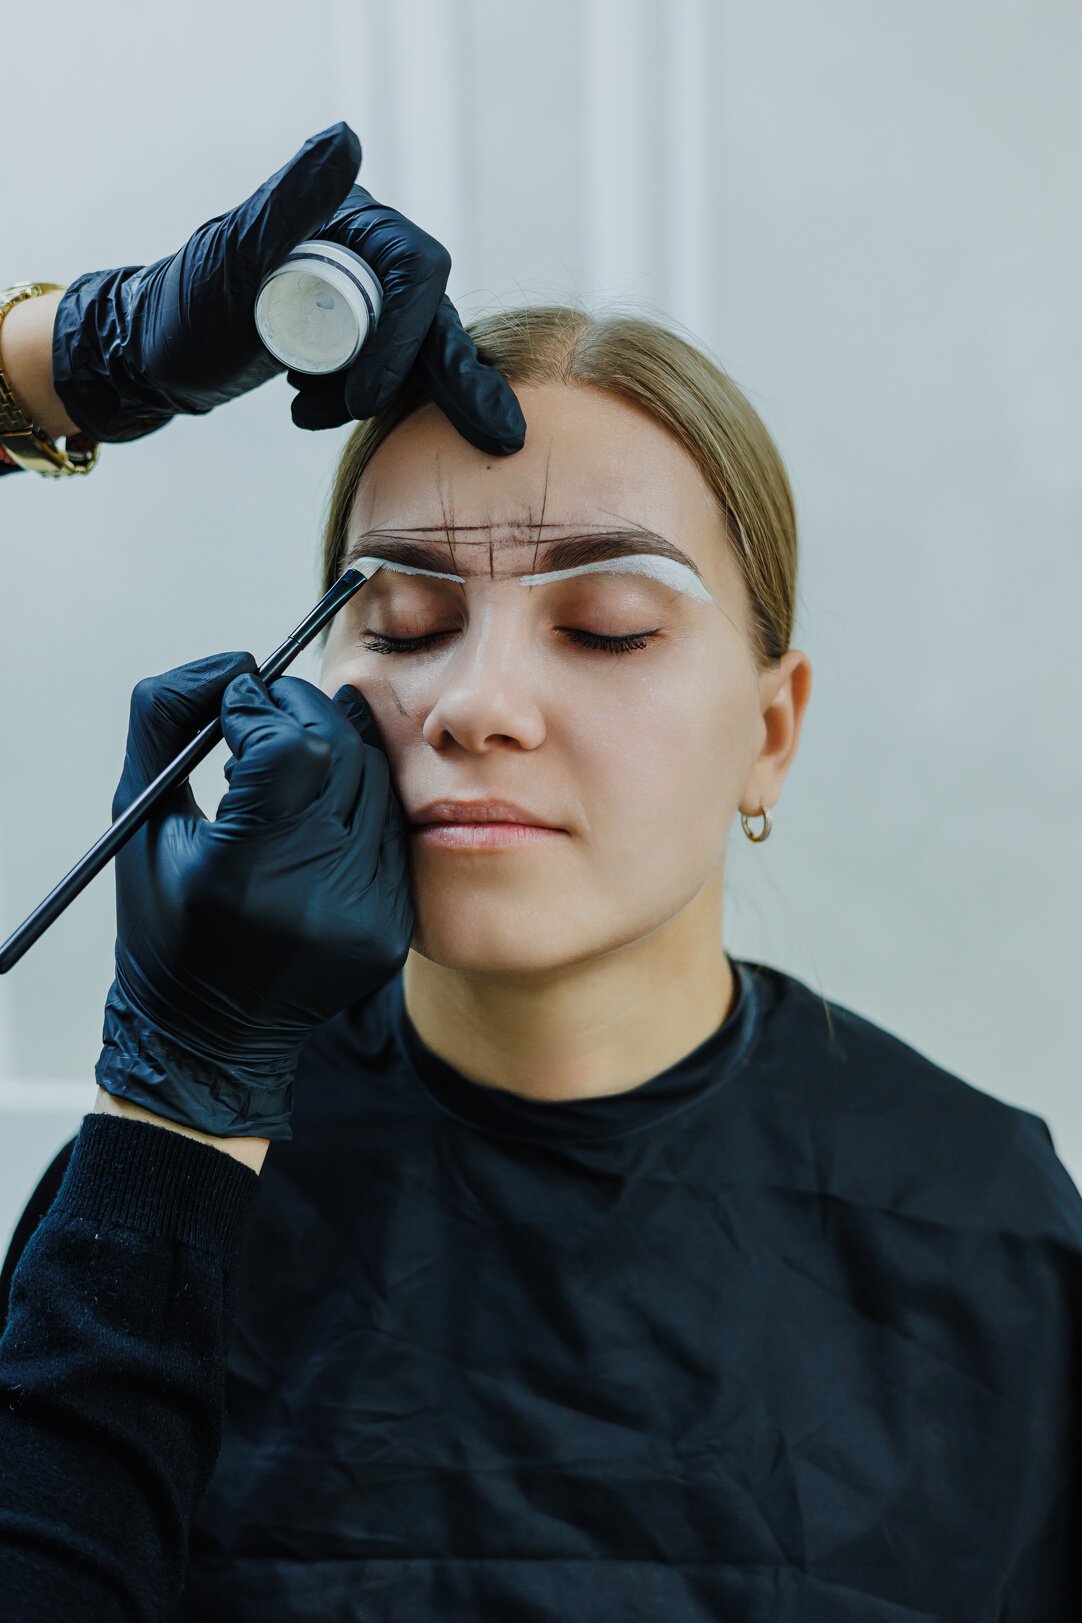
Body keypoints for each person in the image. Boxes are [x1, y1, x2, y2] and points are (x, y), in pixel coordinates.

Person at [3, 148, 1081, 1623]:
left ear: (769, 733)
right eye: (403, 617)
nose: (476, 705)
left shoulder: (987, 1225)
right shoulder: (161, 1190)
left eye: (612, 626)